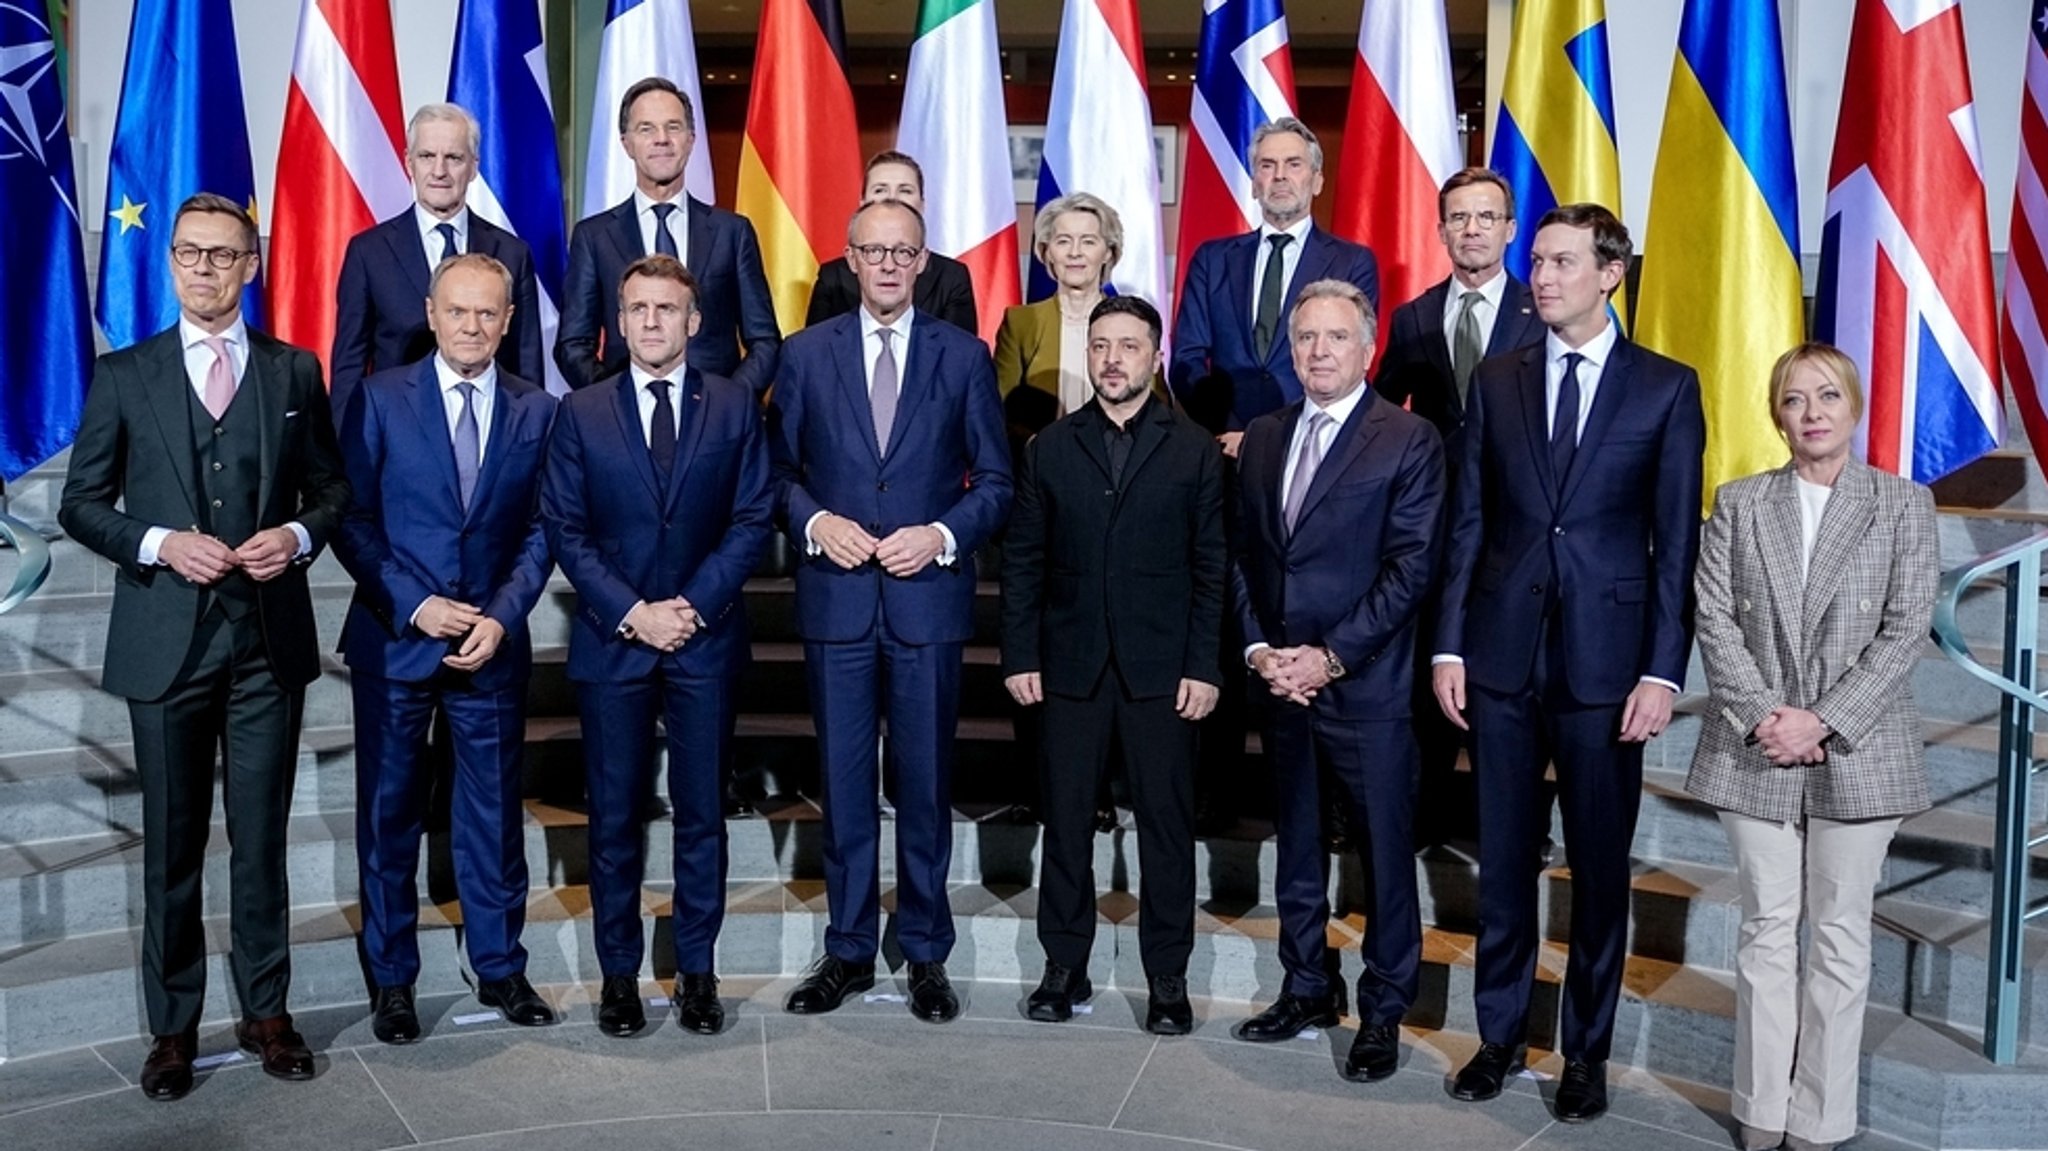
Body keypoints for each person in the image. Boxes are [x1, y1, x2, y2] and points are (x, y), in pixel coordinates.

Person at [58, 192, 351, 1099]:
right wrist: (159, 543)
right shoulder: (125, 374)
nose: (206, 269)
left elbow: (331, 495)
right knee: (173, 845)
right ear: (170, 261)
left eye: (225, 255)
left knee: (260, 840)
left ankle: (268, 1014)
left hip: (267, 644)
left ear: (252, 264)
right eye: (191, 253)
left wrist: (296, 538)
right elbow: (80, 503)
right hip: (166, 648)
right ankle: (173, 1031)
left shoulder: (294, 371)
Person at [1433, 203, 1704, 1122]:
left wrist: (1663, 671)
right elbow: (1469, 521)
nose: (1540, 276)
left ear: (1610, 273)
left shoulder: (1666, 388)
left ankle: (1583, 1052)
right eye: (1537, 260)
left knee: (1598, 867)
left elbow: (1675, 545)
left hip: (1608, 670)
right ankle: (1500, 1036)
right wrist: (1449, 642)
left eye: (1559, 261)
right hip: (1502, 659)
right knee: (1503, 862)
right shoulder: (1499, 379)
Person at [1685, 343, 1937, 1151]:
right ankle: (1760, 1112)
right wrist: (1768, 715)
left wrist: (1820, 719)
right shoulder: (1741, 502)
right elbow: (1715, 619)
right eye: (1795, 400)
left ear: (1854, 405)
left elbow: (1903, 634)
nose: (1813, 412)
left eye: (1828, 395)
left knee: (1837, 935)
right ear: (1777, 414)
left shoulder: (1903, 505)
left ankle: (1819, 1120)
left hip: (1861, 748)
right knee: (1766, 930)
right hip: (1752, 745)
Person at [769, 199, 1011, 1023]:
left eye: (902, 252)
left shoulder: (964, 357)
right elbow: (773, 474)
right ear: (847, 258)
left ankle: (925, 951)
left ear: (923, 263)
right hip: (836, 603)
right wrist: (814, 520)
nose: (886, 265)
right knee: (842, 786)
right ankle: (845, 949)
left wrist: (941, 533)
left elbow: (998, 483)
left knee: (924, 783)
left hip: (926, 604)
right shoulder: (804, 356)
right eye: (871, 250)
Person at [542, 255, 775, 1038]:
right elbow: (566, 532)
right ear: (618, 316)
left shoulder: (737, 405)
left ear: (694, 320)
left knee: (702, 814)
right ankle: (619, 975)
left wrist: (694, 607)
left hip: (705, 641)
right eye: (636, 307)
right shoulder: (581, 410)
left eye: (666, 309)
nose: (650, 322)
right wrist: (636, 612)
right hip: (616, 643)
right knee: (613, 817)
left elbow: (752, 518)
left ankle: (698, 973)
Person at [333, 253, 559, 1044]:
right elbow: (351, 520)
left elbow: (543, 528)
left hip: (490, 645)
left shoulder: (537, 411)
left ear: (507, 321)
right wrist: (416, 604)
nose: (472, 326)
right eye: (458, 311)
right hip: (397, 642)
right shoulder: (381, 399)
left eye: (488, 313)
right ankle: (392, 980)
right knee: (389, 816)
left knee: (493, 817)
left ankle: (500, 966)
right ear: (430, 313)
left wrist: (501, 614)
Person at [1230, 280, 1444, 1081]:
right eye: (1306, 337)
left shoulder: (1407, 437)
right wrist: (1261, 652)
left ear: (1368, 346)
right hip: (1282, 685)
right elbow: (1246, 557)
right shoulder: (1263, 434)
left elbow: (1412, 566)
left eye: (1335, 337)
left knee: (1386, 856)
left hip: (1368, 687)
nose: (1318, 351)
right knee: (1297, 849)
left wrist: (1329, 655)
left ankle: (1383, 1008)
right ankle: (1306, 986)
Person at [999, 295, 1224, 1035]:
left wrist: (1204, 665)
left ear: (1154, 357)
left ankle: (1167, 978)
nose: (1113, 359)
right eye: (1101, 346)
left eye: (1129, 345)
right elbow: (1024, 561)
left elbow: (1211, 565)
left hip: (1164, 674)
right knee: (1065, 825)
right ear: (1087, 354)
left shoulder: (1192, 449)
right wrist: (1021, 653)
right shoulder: (1051, 447)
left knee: (1165, 828)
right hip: (1069, 668)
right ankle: (1063, 966)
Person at [1375, 168, 1546, 848]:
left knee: (1514, 678)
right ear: (1441, 228)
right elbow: (1383, 417)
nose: (1471, 229)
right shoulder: (1413, 316)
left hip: (1521, 526)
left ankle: (1517, 825)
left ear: (1510, 229)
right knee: (1431, 675)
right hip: (1438, 527)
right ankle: (1424, 818)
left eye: (1486, 217)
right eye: (1459, 218)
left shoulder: (1545, 313)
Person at [558, 77, 780, 396]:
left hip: (715, 425)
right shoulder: (594, 237)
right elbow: (573, 344)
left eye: (673, 127)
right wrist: (617, 403)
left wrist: (729, 403)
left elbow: (765, 341)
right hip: (625, 430)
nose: (661, 139)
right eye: (646, 129)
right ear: (626, 143)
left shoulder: (733, 233)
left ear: (691, 139)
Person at [1170, 117, 1380, 451]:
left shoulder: (1352, 262)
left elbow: (1349, 363)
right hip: (1223, 447)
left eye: (1293, 164)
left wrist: (1273, 436)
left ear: (1317, 181)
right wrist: (1223, 430)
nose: (1279, 175)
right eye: (1267, 165)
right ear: (1254, 184)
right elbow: (1186, 358)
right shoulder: (1212, 260)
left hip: (1312, 445)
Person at [330, 103, 543, 421]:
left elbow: (526, 362)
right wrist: (346, 448)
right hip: (397, 429)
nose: (439, 171)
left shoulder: (512, 253)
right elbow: (350, 362)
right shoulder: (369, 252)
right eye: (427, 156)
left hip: (486, 426)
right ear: (408, 164)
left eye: (454, 158)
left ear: (473, 167)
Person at [994, 192, 1160, 437]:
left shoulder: (1134, 323)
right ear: (1047, 251)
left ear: (1108, 252)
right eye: (1063, 241)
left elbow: (1155, 405)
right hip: (1043, 460)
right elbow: (1000, 406)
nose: (1075, 252)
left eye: (1088, 241)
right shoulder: (1021, 323)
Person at [805, 150, 978, 335]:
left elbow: (960, 354)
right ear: (863, 203)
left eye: (905, 190)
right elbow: (816, 352)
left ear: (922, 204)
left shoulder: (952, 278)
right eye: (880, 190)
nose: (892, 198)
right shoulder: (832, 277)